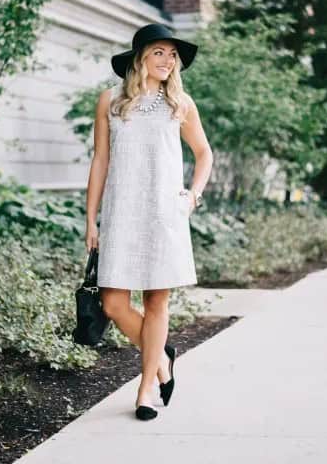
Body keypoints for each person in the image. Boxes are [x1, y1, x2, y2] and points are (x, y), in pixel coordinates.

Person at [85, 23, 213, 421]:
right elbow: (100, 160)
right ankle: (162, 360)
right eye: (159, 52)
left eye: (172, 55)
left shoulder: (181, 103)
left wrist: (192, 195)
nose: (168, 60)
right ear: (140, 56)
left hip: (164, 214)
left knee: (157, 301)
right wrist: (92, 219)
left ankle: (145, 392)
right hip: (122, 213)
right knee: (113, 303)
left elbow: (204, 153)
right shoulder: (110, 100)